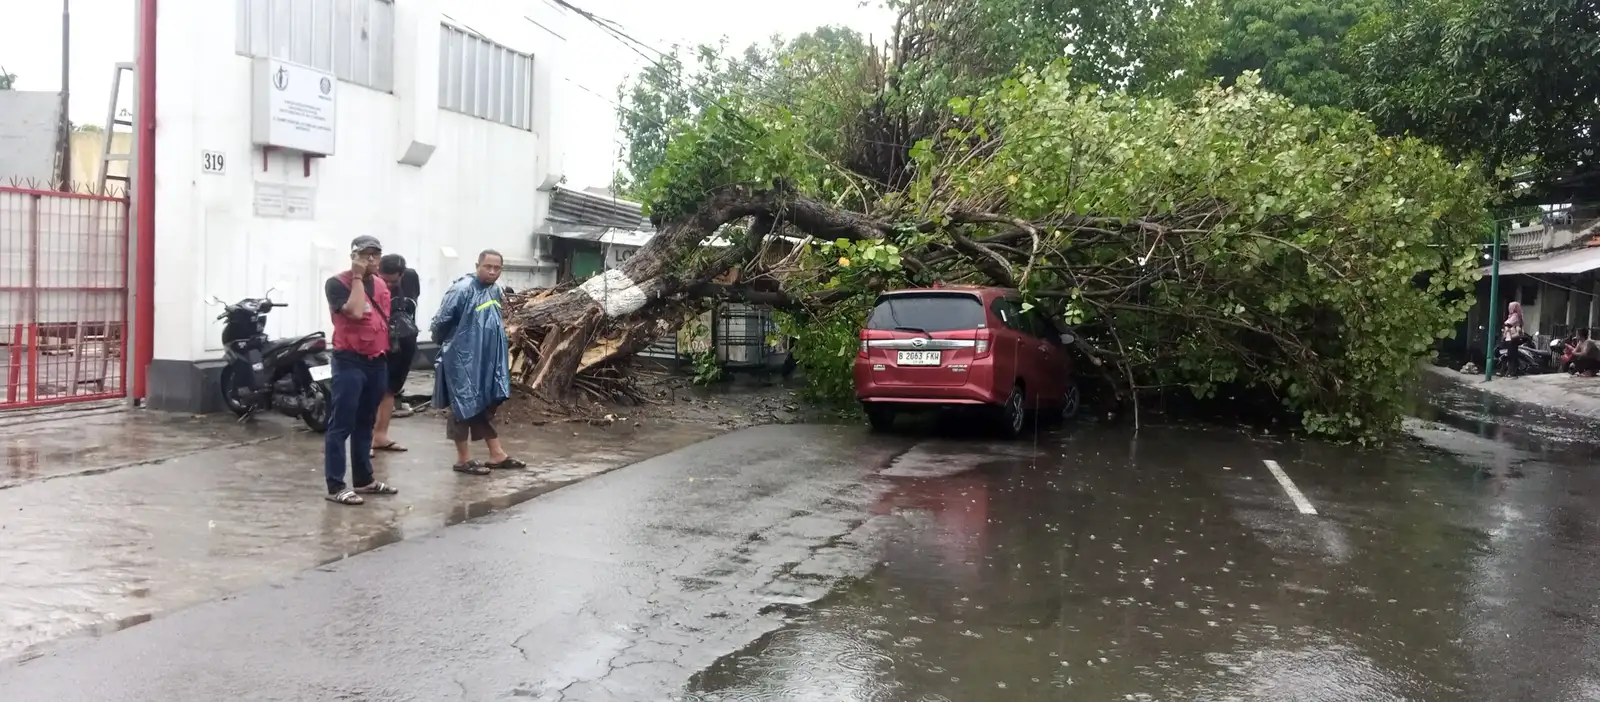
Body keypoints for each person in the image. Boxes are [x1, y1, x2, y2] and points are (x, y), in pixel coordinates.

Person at [321, 235, 401, 505]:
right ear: (354, 257)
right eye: (365, 255)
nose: (372, 260)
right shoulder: (337, 283)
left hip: (376, 360)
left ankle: (364, 480)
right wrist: (357, 276)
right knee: (341, 423)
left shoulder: (380, 283)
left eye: (375, 254)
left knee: (365, 421)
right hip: (349, 360)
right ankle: (336, 485)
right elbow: (355, 312)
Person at [431, 249, 523, 475]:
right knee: (462, 403)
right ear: (477, 266)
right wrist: (451, 346)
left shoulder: (495, 290)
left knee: (484, 402)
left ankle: (496, 454)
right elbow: (441, 322)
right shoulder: (462, 289)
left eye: (497, 268)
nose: (492, 271)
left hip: (487, 358)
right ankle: (463, 459)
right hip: (462, 357)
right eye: (487, 267)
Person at [372, 254, 421, 453]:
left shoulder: (410, 278)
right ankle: (365, 441)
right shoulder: (369, 281)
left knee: (390, 388)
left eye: (393, 281)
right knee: (372, 390)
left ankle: (380, 436)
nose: (388, 285)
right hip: (376, 341)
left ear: (402, 275)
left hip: (403, 341)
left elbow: (411, 306)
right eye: (385, 280)